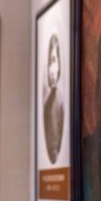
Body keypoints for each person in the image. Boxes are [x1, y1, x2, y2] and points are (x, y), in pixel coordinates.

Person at [42, 33, 64, 164]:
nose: (51, 70)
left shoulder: (59, 101)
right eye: (49, 63)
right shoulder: (47, 101)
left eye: (54, 61)